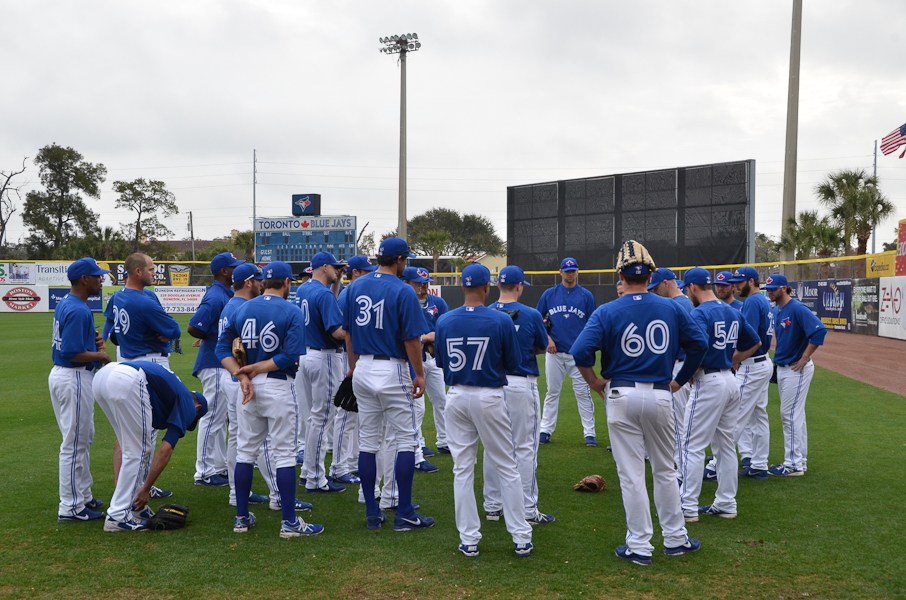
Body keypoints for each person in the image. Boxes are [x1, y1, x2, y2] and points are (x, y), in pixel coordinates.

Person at [572, 241, 707, 565]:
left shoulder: (607, 310)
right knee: (665, 470)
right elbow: (699, 344)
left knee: (632, 475)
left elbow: (580, 351)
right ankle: (675, 539)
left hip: (620, 394)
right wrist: (679, 380)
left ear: (620, 275)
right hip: (660, 393)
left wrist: (594, 382)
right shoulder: (671, 307)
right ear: (650, 275)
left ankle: (640, 546)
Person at [216, 261, 323, 538]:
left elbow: (221, 348)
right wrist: (253, 369)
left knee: (245, 452)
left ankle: (241, 518)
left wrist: (241, 375)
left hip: (248, 387)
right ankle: (289, 522)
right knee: (284, 454)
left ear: (263, 282)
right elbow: (290, 356)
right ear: (287, 283)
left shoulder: (242, 308)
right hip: (277, 385)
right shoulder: (291, 309)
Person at [435, 263, 533, 557]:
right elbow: (514, 363)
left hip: (456, 395)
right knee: (507, 466)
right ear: (487, 288)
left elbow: (440, 362)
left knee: (462, 469)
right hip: (489, 395)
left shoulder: (445, 320)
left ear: (462, 287)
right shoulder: (501, 319)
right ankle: (520, 536)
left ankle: (469, 539)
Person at [342, 237, 434, 531]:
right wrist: (419, 374)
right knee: (406, 440)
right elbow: (411, 339)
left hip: (363, 367)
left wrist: (353, 367)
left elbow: (348, 334)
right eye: (405, 259)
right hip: (392, 368)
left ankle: (372, 511)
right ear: (399, 260)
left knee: (368, 443)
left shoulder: (355, 286)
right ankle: (404, 511)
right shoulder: (403, 289)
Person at [678, 268, 761, 523]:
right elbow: (756, 342)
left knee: (692, 445)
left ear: (692, 287)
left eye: (686, 289)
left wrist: (682, 377)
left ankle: (687, 506)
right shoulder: (731, 310)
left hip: (709, 382)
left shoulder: (700, 312)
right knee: (725, 446)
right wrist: (732, 359)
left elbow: (698, 347)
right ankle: (726, 503)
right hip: (730, 380)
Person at [93, 361, 208, 531]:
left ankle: (133, 507)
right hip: (126, 379)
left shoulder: (169, 394)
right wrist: (146, 488)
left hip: (102, 377)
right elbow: (165, 450)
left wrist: (122, 486)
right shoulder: (189, 404)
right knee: (140, 450)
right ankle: (117, 516)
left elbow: (120, 444)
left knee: (129, 444)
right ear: (197, 408)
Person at [482, 265, 554, 526]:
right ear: (519, 286)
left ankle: (493, 506)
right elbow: (543, 346)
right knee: (524, 448)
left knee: (493, 446)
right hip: (521, 383)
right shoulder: (531, 314)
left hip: (492, 384)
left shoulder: (487, 313)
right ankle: (527, 509)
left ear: (497, 286)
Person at [50, 257, 113, 522]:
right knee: (74, 443)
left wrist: (93, 342)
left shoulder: (68, 302)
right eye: (97, 276)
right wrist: (101, 356)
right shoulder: (78, 309)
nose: (101, 280)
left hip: (66, 375)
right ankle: (71, 506)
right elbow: (72, 352)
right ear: (84, 279)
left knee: (83, 437)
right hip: (73, 376)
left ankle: (83, 495)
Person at [188, 251, 245, 487]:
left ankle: (218, 466)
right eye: (233, 267)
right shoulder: (215, 296)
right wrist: (211, 336)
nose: (237, 270)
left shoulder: (225, 293)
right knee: (211, 416)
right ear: (224, 271)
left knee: (220, 418)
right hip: (213, 363)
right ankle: (204, 471)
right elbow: (193, 327)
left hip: (220, 363)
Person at [763, 274, 827, 476]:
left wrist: (805, 357)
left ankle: (793, 464)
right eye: (768, 289)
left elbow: (819, 331)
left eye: (773, 288)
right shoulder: (777, 310)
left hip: (796, 368)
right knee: (796, 415)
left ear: (784, 288)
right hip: (784, 368)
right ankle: (800, 460)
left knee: (789, 415)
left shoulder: (797, 308)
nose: (769, 292)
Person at [297, 251, 350, 494]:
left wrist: (337, 282)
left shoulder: (304, 288)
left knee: (314, 418)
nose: (339, 270)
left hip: (306, 355)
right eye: (336, 267)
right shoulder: (323, 294)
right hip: (324, 356)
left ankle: (307, 471)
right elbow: (336, 332)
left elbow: (327, 306)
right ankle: (316, 479)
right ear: (325, 266)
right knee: (323, 418)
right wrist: (356, 331)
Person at [536, 257, 598, 446]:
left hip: (577, 355)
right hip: (554, 353)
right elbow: (537, 319)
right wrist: (548, 339)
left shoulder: (586, 295)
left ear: (577, 272)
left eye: (573, 271)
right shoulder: (550, 294)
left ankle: (590, 433)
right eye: (567, 271)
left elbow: (592, 324)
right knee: (552, 391)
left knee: (583, 392)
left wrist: (584, 347)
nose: (570, 274)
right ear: (561, 272)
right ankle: (545, 430)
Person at [729, 266, 775, 480]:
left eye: (740, 282)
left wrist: (736, 358)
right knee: (758, 416)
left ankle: (717, 465)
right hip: (762, 362)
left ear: (751, 281)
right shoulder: (762, 300)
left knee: (734, 415)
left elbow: (748, 337)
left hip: (752, 365)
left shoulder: (752, 302)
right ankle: (759, 464)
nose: (736, 286)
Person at [648, 268, 695, 471]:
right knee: (685, 422)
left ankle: (682, 471)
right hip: (687, 367)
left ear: (666, 283)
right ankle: (686, 467)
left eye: (656, 287)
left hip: (679, 367)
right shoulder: (687, 302)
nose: (654, 292)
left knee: (678, 423)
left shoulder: (676, 305)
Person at [400, 266, 444, 471]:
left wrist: (426, 338)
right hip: (411, 359)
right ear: (407, 283)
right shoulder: (405, 303)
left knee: (441, 400)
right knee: (417, 407)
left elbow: (445, 328)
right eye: (418, 283)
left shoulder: (438, 302)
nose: (423, 286)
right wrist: (426, 337)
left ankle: (444, 440)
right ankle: (418, 448)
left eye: (426, 282)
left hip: (433, 358)